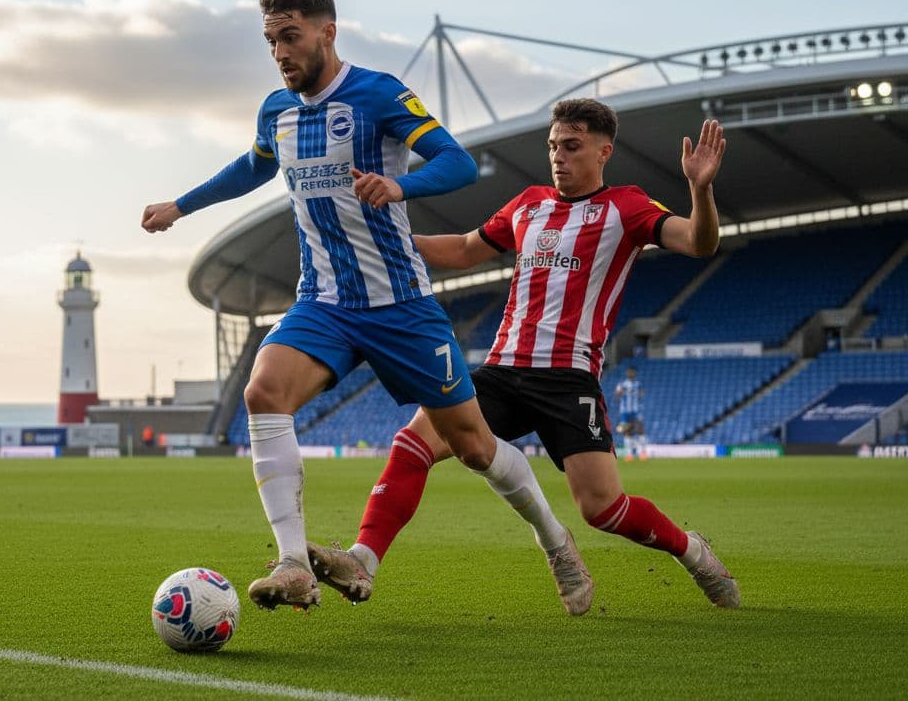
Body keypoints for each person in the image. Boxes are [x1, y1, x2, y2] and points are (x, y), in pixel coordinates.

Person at [142, 0, 583, 612]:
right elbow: (253, 165)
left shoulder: (377, 95)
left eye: (290, 37)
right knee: (263, 390)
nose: (280, 53)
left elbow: (455, 161)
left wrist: (399, 186)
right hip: (322, 300)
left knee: (475, 446)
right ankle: (293, 563)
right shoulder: (278, 109)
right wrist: (181, 205)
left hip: (400, 303)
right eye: (270, 41)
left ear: (328, 31)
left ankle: (555, 540)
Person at [308, 100, 740, 611]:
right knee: (415, 441)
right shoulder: (528, 204)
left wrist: (701, 189)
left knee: (602, 508)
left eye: (571, 146)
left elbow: (698, 242)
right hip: (502, 371)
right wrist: (395, 239)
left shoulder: (627, 206)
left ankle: (691, 551)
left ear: (605, 152)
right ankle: (364, 558)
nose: (558, 156)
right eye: (553, 146)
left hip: (569, 380)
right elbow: (467, 249)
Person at [614, 367, 646, 460]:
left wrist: (638, 394)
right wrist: (619, 392)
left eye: (632, 372)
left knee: (640, 429)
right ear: (626, 373)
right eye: (629, 372)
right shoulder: (622, 384)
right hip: (625, 411)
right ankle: (629, 454)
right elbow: (617, 396)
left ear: (634, 373)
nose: (630, 373)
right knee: (627, 431)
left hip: (636, 410)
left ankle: (643, 452)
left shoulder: (638, 384)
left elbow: (642, 394)